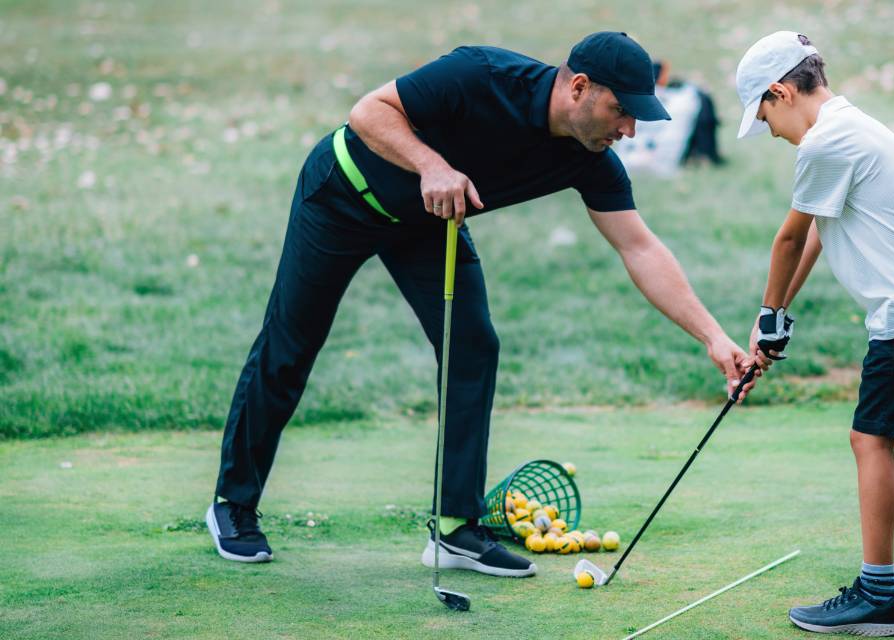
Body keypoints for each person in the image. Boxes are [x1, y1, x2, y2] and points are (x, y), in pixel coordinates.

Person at [206, 32, 756, 579]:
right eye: (621, 111)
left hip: (428, 224)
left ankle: (454, 529)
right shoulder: (480, 75)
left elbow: (639, 247)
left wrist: (712, 336)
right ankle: (232, 504)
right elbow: (368, 112)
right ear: (580, 88)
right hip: (342, 195)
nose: (629, 130)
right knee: (292, 342)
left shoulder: (589, 158)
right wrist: (430, 165)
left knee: (473, 346)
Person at [734, 32, 894, 635]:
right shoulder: (854, 125)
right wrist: (778, 320)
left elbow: (788, 238)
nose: (768, 130)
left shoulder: (825, 142)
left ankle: (878, 594)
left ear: (780, 91)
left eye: (764, 115)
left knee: (868, 439)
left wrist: (765, 319)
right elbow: (821, 227)